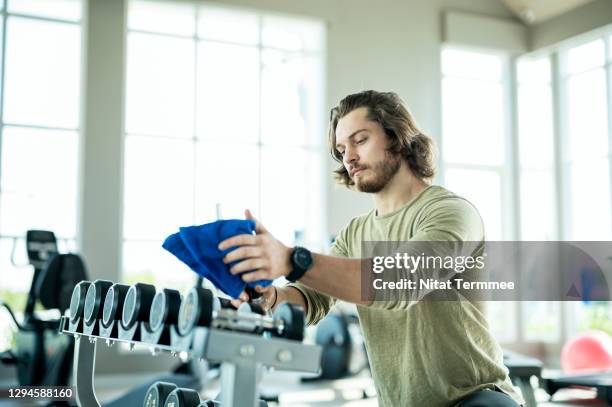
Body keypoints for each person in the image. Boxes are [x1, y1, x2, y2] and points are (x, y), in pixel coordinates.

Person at [220, 90, 524, 407]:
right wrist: (271, 297)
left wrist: (289, 258)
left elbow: (398, 283)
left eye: (360, 140)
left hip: (475, 399)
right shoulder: (356, 233)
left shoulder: (451, 212)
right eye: (341, 149)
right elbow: (312, 297)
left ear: (398, 137)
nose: (348, 157)